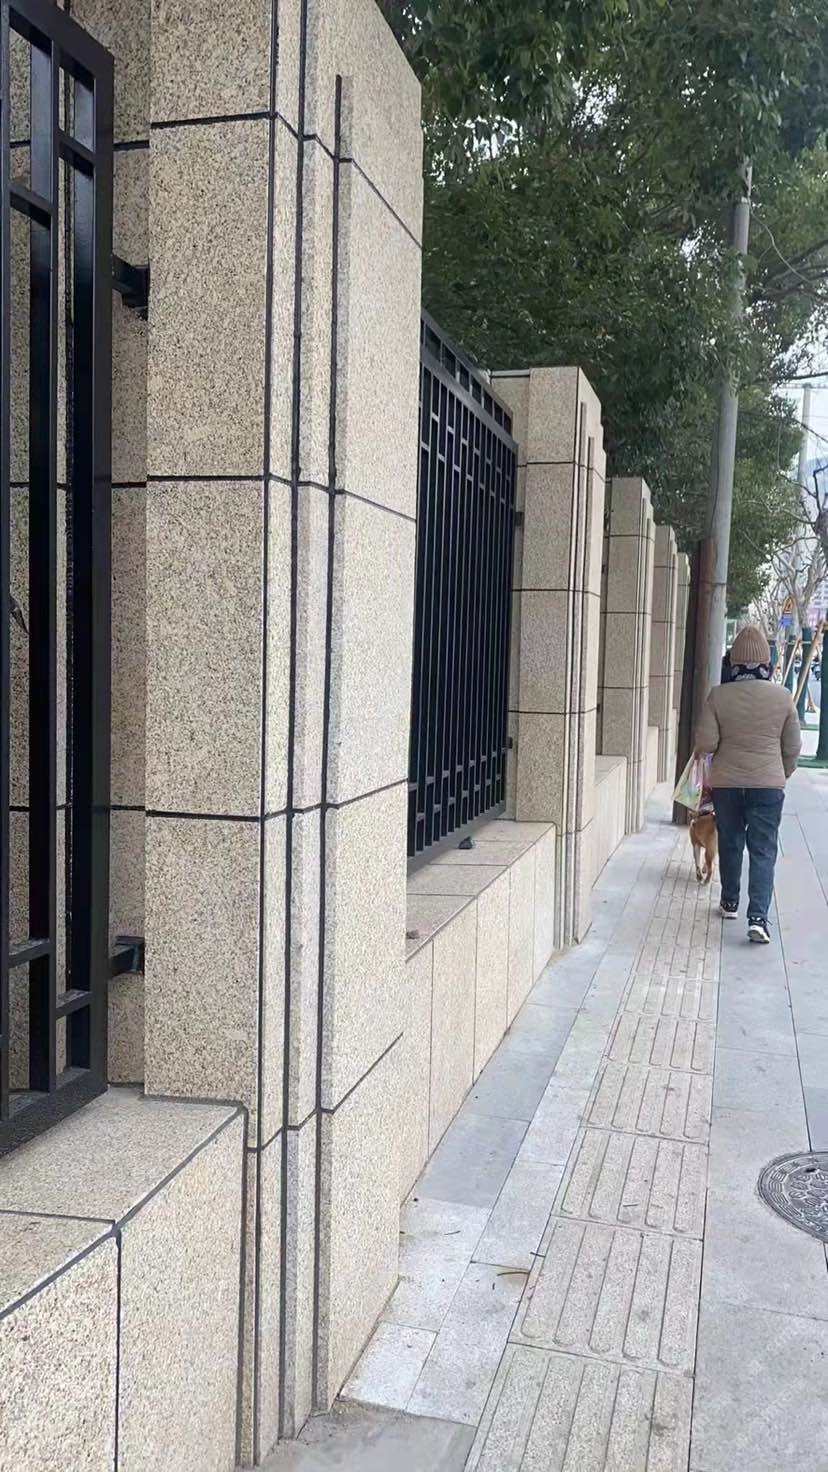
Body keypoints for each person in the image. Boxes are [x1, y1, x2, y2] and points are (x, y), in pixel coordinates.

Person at [694, 624, 801, 943]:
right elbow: (793, 747)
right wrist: (779, 774)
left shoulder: (718, 696)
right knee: (763, 849)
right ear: (767, 663)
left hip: (727, 785)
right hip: (768, 786)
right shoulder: (783, 697)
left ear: (734, 661)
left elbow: (706, 743)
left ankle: (729, 903)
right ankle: (758, 919)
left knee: (730, 842)